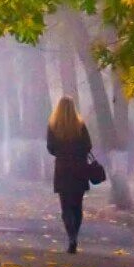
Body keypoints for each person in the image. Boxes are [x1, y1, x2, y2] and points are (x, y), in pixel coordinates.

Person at [46, 96, 93, 254]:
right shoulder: (80, 126)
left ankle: (71, 237)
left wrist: (62, 152)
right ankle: (75, 236)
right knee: (77, 206)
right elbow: (88, 145)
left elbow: (50, 147)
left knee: (66, 207)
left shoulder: (54, 126)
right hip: (79, 169)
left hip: (62, 170)